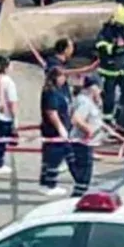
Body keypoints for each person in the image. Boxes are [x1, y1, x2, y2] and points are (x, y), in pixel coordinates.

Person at [69, 76, 112, 197]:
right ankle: (77, 199)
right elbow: (76, 119)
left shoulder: (89, 101)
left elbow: (95, 119)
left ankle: (79, 196)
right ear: (93, 87)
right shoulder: (85, 102)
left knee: (85, 178)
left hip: (87, 144)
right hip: (82, 143)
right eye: (98, 88)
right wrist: (89, 130)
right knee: (83, 180)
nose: (100, 91)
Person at [39, 66, 73, 197]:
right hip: (53, 130)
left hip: (52, 128)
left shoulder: (55, 90)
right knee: (54, 157)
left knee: (48, 157)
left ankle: (44, 182)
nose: (64, 79)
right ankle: (50, 184)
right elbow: (51, 112)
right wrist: (61, 128)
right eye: (63, 76)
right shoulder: (52, 92)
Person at [95, 5, 124, 122]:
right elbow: (106, 49)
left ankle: (121, 118)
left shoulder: (123, 31)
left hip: (122, 69)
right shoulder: (105, 33)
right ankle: (107, 119)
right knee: (109, 96)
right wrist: (119, 48)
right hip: (108, 70)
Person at [0, 56, 17, 176]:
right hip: (5, 116)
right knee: (1, 143)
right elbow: (12, 102)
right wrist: (15, 118)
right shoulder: (9, 82)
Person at [44, 38, 75, 105]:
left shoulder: (63, 64)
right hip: (57, 102)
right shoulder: (53, 62)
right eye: (71, 47)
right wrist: (66, 73)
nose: (73, 50)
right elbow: (59, 81)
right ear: (66, 50)